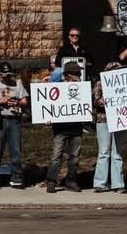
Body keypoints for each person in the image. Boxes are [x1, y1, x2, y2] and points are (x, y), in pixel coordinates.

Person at [0, 61, 28, 189]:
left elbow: (24, 101)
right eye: (3, 75)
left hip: (14, 119)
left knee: (15, 150)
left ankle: (17, 177)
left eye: (8, 75)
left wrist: (17, 103)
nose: (6, 78)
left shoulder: (17, 84)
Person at [45, 62, 85, 193]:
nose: (79, 75)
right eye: (76, 73)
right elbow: (49, 103)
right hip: (60, 128)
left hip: (76, 127)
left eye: (79, 73)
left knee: (75, 156)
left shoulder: (82, 88)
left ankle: (71, 181)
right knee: (56, 155)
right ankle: (51, 181)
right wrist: (48, 117)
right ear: (68, 75)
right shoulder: (58, 87)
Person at [92, 61, 127, 194]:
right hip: (104, 120)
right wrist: (105, 101)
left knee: (117, 152)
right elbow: (95, 100)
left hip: (120, 119)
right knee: (104, 152)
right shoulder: (100, 83)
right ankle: (100, 183)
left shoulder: (126, 84)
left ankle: (118, 184)